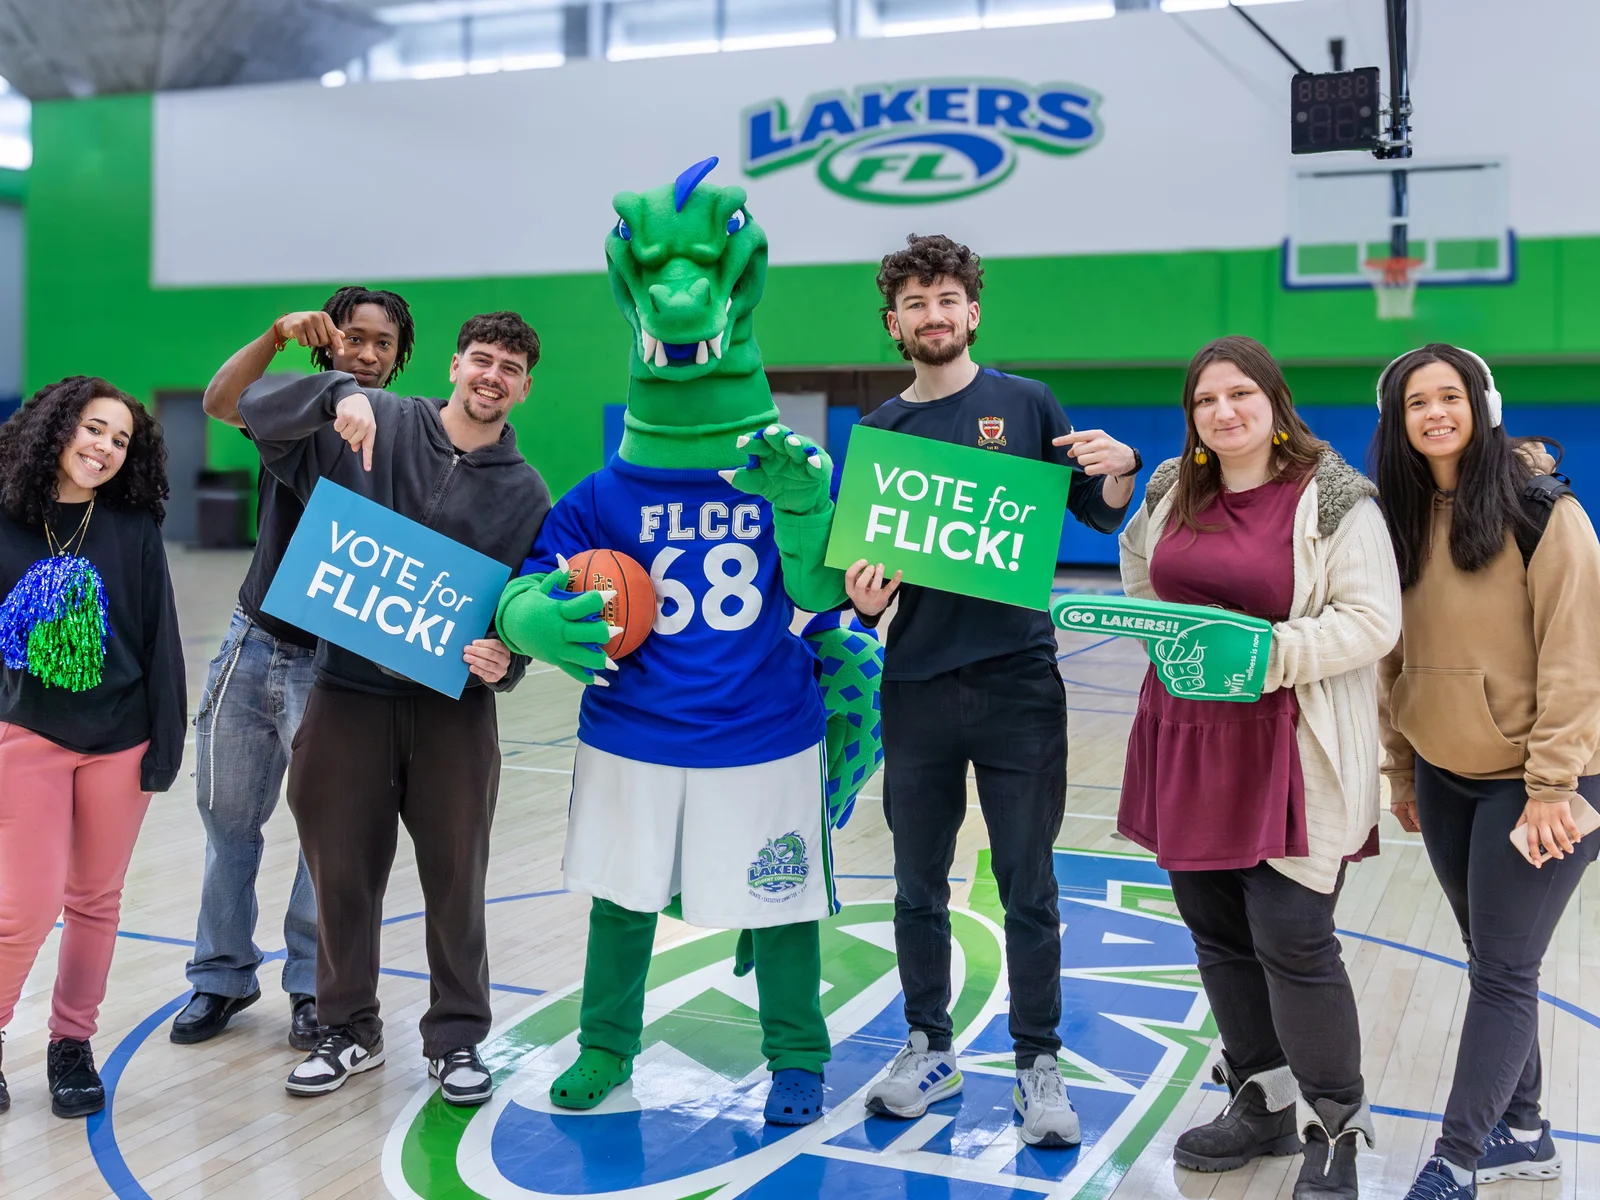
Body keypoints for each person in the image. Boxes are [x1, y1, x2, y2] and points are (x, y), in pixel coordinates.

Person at [846, 233, 1141, 1148]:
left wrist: (1122, 466)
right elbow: (863, 577)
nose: (933, 315)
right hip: (918, 681)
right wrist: (861, 605)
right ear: (894, 323)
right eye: (915, 303)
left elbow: (1098, 510)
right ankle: (929, 1048)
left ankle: (1036, 1062)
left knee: (1028, 882)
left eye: (947, 299)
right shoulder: (880, 432)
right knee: (915, 884)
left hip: (1018, 680)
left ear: (972, 310)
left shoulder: (1024, 403)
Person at [236, 311, 549, 1106]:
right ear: (453, 364)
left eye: (510, 368)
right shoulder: (378, 423)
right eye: (481, 359)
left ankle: (457, 1039)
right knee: (341, 876)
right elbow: (252, 407)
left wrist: (506, 661)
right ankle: (348, 1031)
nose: (493, 376)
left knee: (456, 881)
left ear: (525, 388)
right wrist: (338, 390)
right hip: (346, 696)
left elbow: (522, 610)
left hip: (452, 715)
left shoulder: (525, 491)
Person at [1117, 336, 1399, 1199]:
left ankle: (1337, 1125)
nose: (1223, 412)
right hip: (1187, 738)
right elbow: (1137, 568)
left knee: (1294, 940)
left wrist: (1257, 653)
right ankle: (1262, 1097)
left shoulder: (1336, 496)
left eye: (1240, 394)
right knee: (1216, 932)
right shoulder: (1172, 487)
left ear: (1275, 403)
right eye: (1206, 401)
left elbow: (1372, 620)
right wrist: (1173, 642)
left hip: (1290, 743)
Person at [1372, 344, 1600, 1200]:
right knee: (1493, 959)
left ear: (1481, 403)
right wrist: (1401, 769)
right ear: (1396, 422)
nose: (1435, 413)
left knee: (1503, 969)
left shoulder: (1542, 509)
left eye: (1450, 396)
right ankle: (1528, 1131)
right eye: (1415, 402)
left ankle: (1456, 1160)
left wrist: (1553, 788)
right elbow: (1395, 654)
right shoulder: (1395, 515)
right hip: (1445, 771)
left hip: (1546, 780)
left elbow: (1580, 656)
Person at [171, 287, 415, 1052]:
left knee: (325, 837)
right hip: (255, 638)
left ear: (400, 357)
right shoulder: (292, 409)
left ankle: (312, 986)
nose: (368, 353)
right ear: (328, 345)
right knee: (229, 825)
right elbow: (220, 401)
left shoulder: (409, 433)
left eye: (384, 343)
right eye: (354, 338)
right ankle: (220, 977)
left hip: (336, 661)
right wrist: (275, 334)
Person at [0, 377, 185, 1119]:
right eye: (94, 429)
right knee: (25, 906)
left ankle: (71, 1045)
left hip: (120, 739)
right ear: (56, 428)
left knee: (96, 902)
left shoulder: (131, 527)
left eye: (120, 439)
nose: (105, 447)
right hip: (27, 736)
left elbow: (159, 638)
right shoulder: (7, 517)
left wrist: (164, 745)